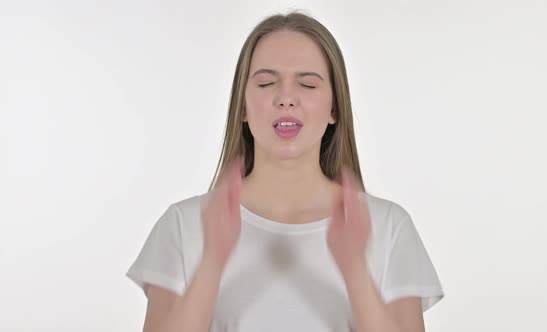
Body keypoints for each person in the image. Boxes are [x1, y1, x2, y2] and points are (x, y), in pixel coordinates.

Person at [126, 11, 444, 332]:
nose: (286, 99)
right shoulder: (183, 225)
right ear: (243, 107)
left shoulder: (388, 227)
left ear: (334, 108)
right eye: (266, 83)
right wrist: (211, 262)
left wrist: (355, 270)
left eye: (307, 84)